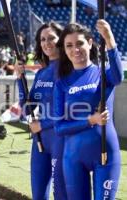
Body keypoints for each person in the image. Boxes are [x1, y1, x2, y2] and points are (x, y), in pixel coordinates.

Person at [54, 20, 122, 199]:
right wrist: (91, 120)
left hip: (105, 153)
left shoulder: (104, 72)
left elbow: (119, 76)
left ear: (90, 43)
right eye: (69, 45)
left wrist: (109, 39)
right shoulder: (62, 83)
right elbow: (59, 127)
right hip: (73, 157)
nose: (75, 49)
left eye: (79, 43)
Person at [16, 22, 67, 199]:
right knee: (38, 194)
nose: (46, 43)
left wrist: (42, 123)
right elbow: (27, 109)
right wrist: (20, 79)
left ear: (62, 39)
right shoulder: (41, 73)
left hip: (62, 140)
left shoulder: (70, 70)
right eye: (42, 39)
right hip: (40, 142)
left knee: (61, 193)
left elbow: (71, 112)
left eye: (51, 38)